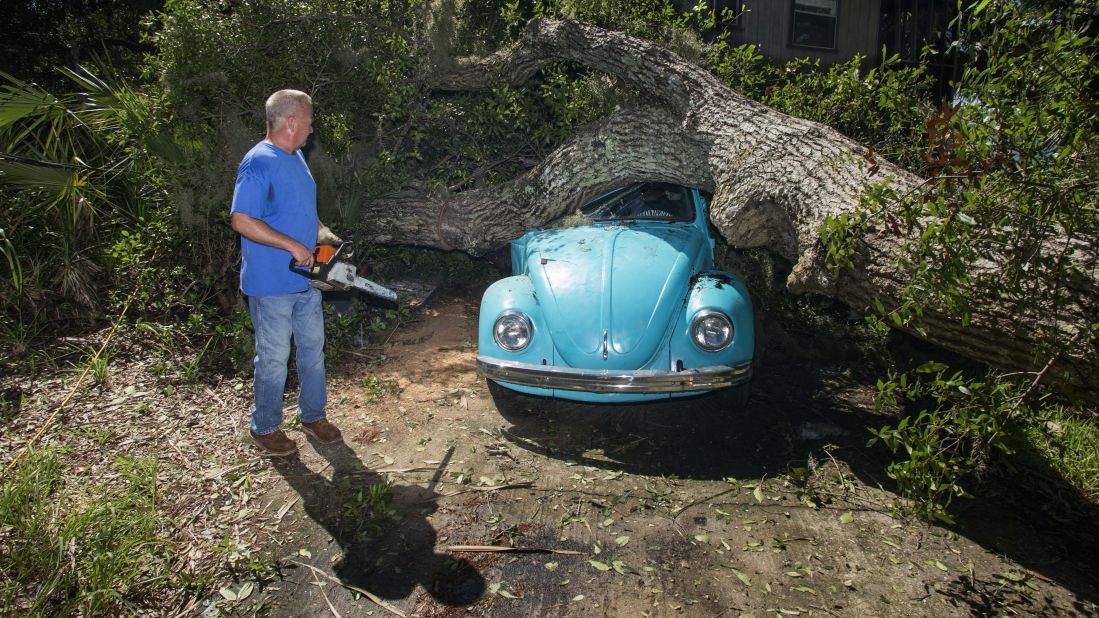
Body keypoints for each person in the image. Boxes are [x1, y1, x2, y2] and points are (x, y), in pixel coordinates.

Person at [230, 89, 344, 456]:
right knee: (274, 359)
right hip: (271, 284)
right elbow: (242, 219)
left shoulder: (296, 159)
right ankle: (264, 428)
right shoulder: (258, 161)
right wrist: (292, 245)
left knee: (312, 351)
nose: (312, 129)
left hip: (305, 280)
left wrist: (322, 233)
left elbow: (300, 212)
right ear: (292, 121)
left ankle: (312, 415)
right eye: (309, 122)